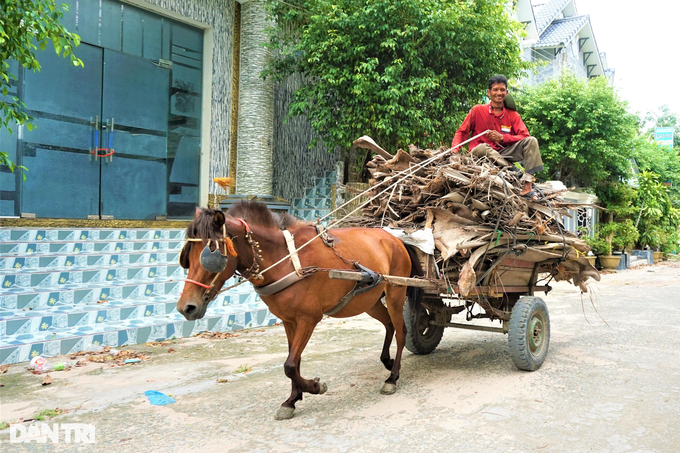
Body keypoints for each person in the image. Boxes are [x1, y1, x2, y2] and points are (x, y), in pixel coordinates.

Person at [451, 75, 543, 200]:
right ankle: (511, 167)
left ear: (506, 92)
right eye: (495, 90)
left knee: (532, 140)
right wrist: (454, 151)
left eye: (502, 90)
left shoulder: (513, 115)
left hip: (503, 153)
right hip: (479, 154)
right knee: (483, 147)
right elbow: (461, 132)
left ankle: (527, 186)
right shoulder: (477, 110)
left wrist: (503, 138)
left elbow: (524, 136)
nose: (499, 93)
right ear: (489, 93)